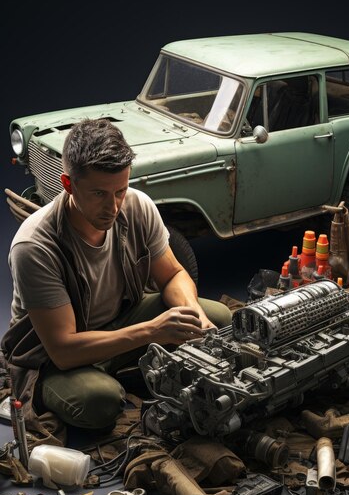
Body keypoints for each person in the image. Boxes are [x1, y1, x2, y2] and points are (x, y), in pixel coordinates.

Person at [1, 118, 232, 434]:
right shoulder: (35, 247)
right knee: (101, 402)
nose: (113, 207)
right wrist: (151, 332)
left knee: (218, 318)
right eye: (98, 193)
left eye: (120, 190)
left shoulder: (137, 206)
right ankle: (94, 382)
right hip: (51, 357)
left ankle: (130, 368)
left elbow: (173, 274)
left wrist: (192, 312)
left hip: (121, 320)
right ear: (68, 185)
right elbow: (63, 350)